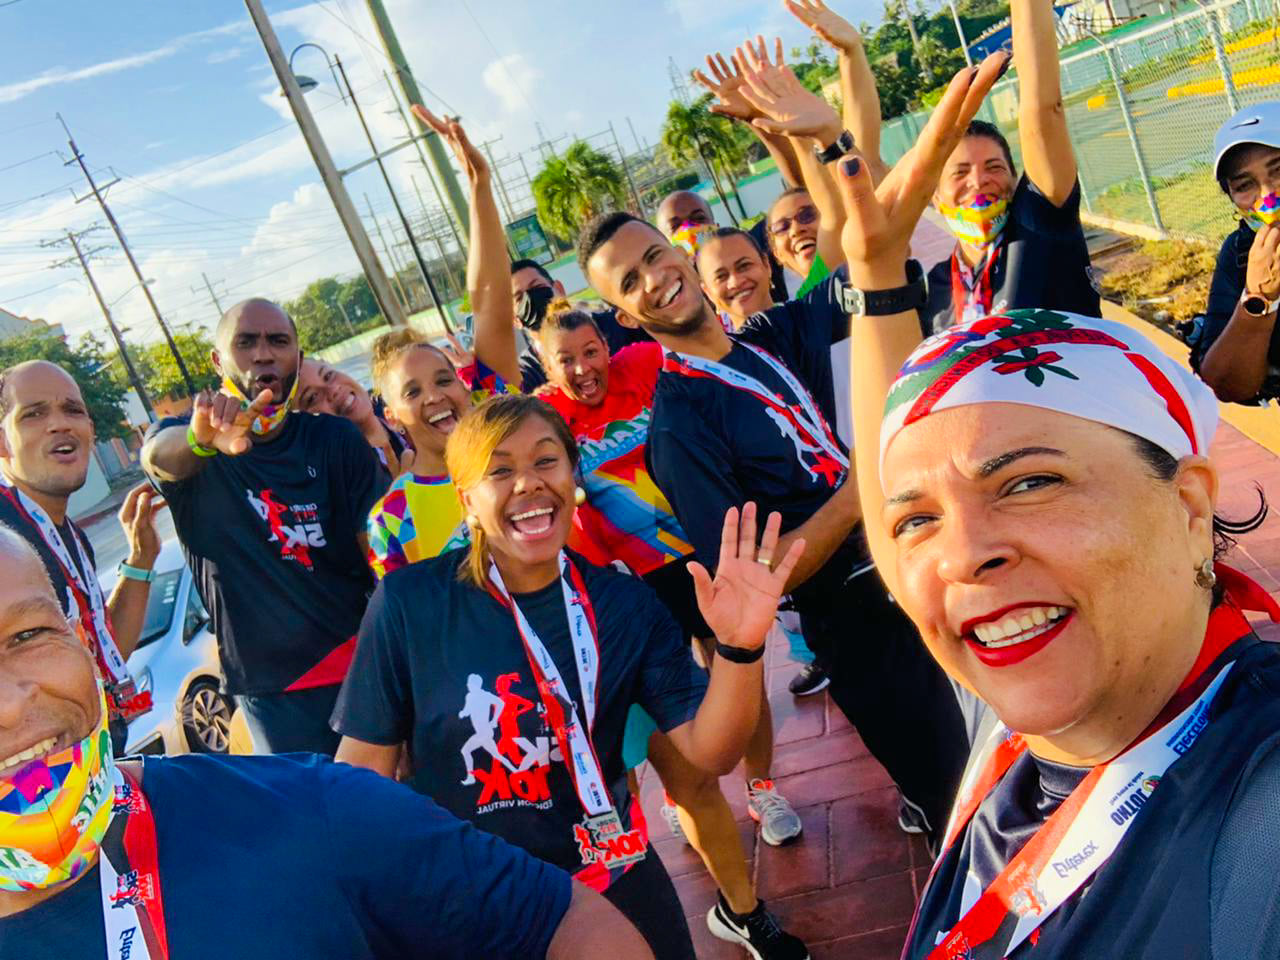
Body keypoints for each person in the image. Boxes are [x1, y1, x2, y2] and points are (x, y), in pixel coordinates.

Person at [834, 45, 1280, 959]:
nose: (963, 553)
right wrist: (877, 277)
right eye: (921, 521)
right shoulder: (1017, 720)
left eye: (1031, 483)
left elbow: (1043, 117)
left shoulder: (1257, 809)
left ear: (1189, 505)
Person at [372, 107, 809, 960]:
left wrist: (478, 187)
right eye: (411, 390)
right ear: (389, 414)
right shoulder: (390, 522)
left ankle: (743, 910)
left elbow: (489, 298)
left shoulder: (502, 420)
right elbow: (402, 643)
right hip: (502, 718)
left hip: (596, 653)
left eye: (444, 377)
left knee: (686, 782)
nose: (436, 396)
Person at [578, 51, 968, 853]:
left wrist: (826, 140)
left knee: (1006, 763)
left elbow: (872, 251)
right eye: (629, 282)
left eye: (654, 257)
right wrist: (858, 494)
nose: (653, 279)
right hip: (858, 621)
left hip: (922, 561)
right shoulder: (678, 429)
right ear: (623, 314)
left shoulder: (769, 335)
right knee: (958, 800)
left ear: (679, 251)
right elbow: (761, 578)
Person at [0, 523, 655, 960]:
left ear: (82, 644)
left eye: (27, 636)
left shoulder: (301, 810)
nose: (9, 704)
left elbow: (561, 921)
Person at [333, 394, 806, 960]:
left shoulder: (623, 604)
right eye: (499, 471)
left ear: (572, 476)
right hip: (475, 900)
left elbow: (712, 752)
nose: (528, 482)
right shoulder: (408, 604)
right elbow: (362, 774)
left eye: (545, 461)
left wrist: (739, 648)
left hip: (613, 874)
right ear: (466, 501)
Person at [141, 299, 387, 756]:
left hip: (365, 669)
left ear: (297, 355)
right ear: (218, 361)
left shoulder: (333, 439)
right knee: (309, 803)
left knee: (394, 797)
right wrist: (201, 441)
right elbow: (158, 457)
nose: (263, 354)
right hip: (274, 697)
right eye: (245, 342)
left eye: (278, 341)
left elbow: (382, 556)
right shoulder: (189, 444)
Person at [0, 360, 162, 746]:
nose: (60, 424)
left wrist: (140, 561)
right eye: (34, 414)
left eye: (73, 410)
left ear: (90, 429)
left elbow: (102, 653)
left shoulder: (70, 535)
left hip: (98, 756)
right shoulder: (7, 542)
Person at [917, 0, 1099, 335]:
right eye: (960, 172)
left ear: (1016, 181)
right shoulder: (934, 288)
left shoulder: (1040, 227)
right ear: (935, 197)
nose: (979, 180)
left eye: (994, 167)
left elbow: (1044, 112)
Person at [1195, 102, 1280, 403]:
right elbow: (1226, 386)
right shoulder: (1240, 253)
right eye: (1245, 185)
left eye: (1278, 169)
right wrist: (1258, 300)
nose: (1269, 196)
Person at [509, 257, 648, 393]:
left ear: (559, 289)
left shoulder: (620, 324)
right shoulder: (526, 375)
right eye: (519, 298)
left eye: (537, 287)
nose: (530, 299)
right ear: (514, 319)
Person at [296, 357, 405, 474]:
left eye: (328, 375)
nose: (333, 389)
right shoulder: (338, 478)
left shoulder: (401, 403)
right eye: (313, 397)